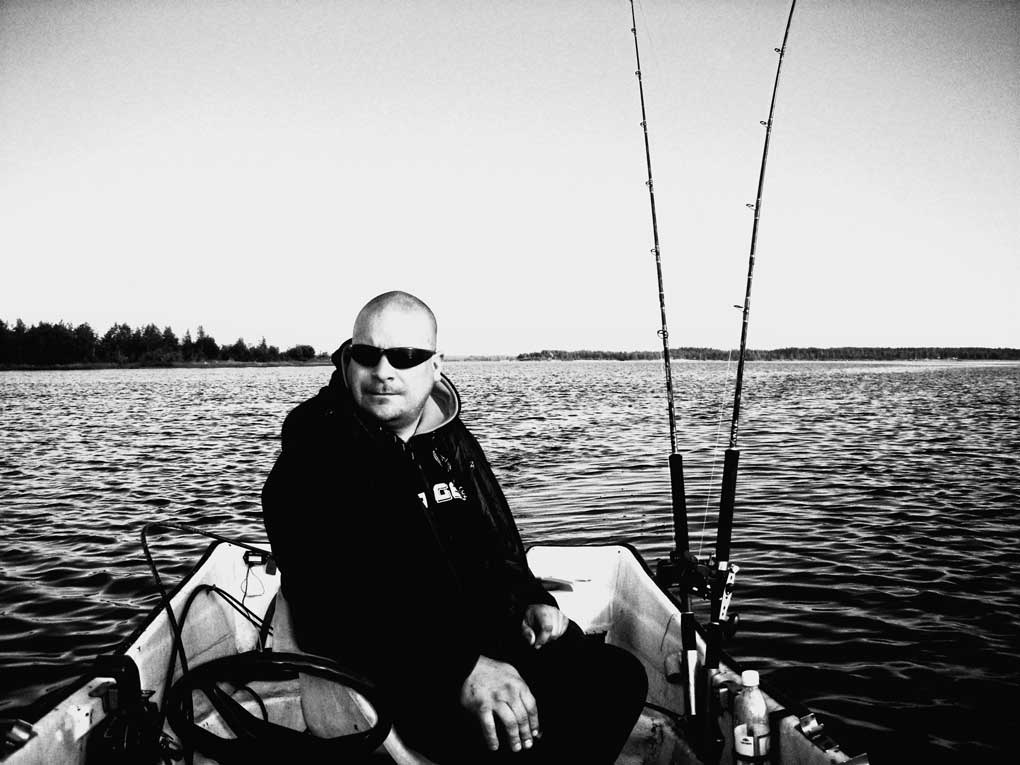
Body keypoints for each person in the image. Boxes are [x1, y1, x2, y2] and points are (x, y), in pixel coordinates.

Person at [261, 291, 647, 763]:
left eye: (405, 357)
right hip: (397, 676)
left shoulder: (451, 441)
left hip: (477, 643)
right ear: (347, 361)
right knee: (522, 731)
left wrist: (530, 602)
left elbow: (497, 545)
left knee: (617, 676)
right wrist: (461, 669)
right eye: (367, 354)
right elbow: (334, 607)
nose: (383, 371)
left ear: (435, 365)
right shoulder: (315, 458)